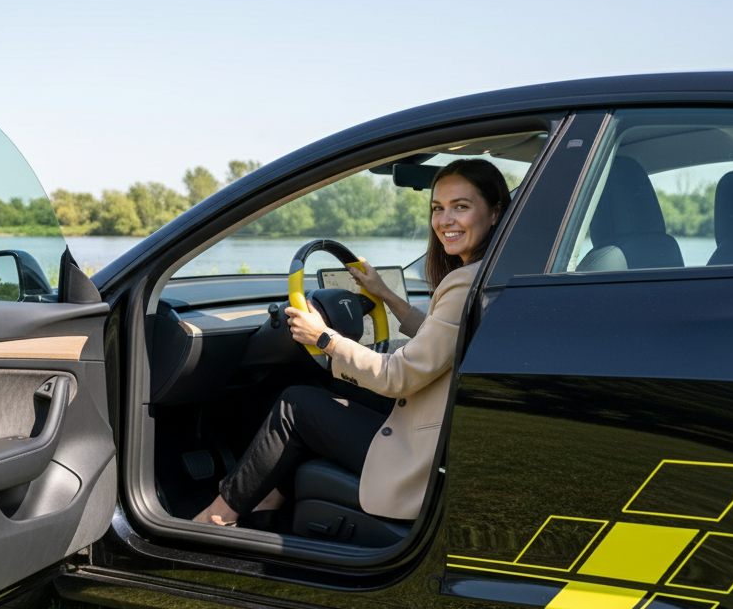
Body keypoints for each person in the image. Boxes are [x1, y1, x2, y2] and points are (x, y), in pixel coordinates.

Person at [193, 158, 509, 527]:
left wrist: (324, 338)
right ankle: (270, 497)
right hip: (442, 426)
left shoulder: (463, 282)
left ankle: (216, 517)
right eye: (438, 208)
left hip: (419, 456)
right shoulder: (491, 273)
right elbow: (444, 338)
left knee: (296, 404)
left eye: (461, 207)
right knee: (329, 383)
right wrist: (385, 295)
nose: (444, 220)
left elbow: (399, 377)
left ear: (495, 212)